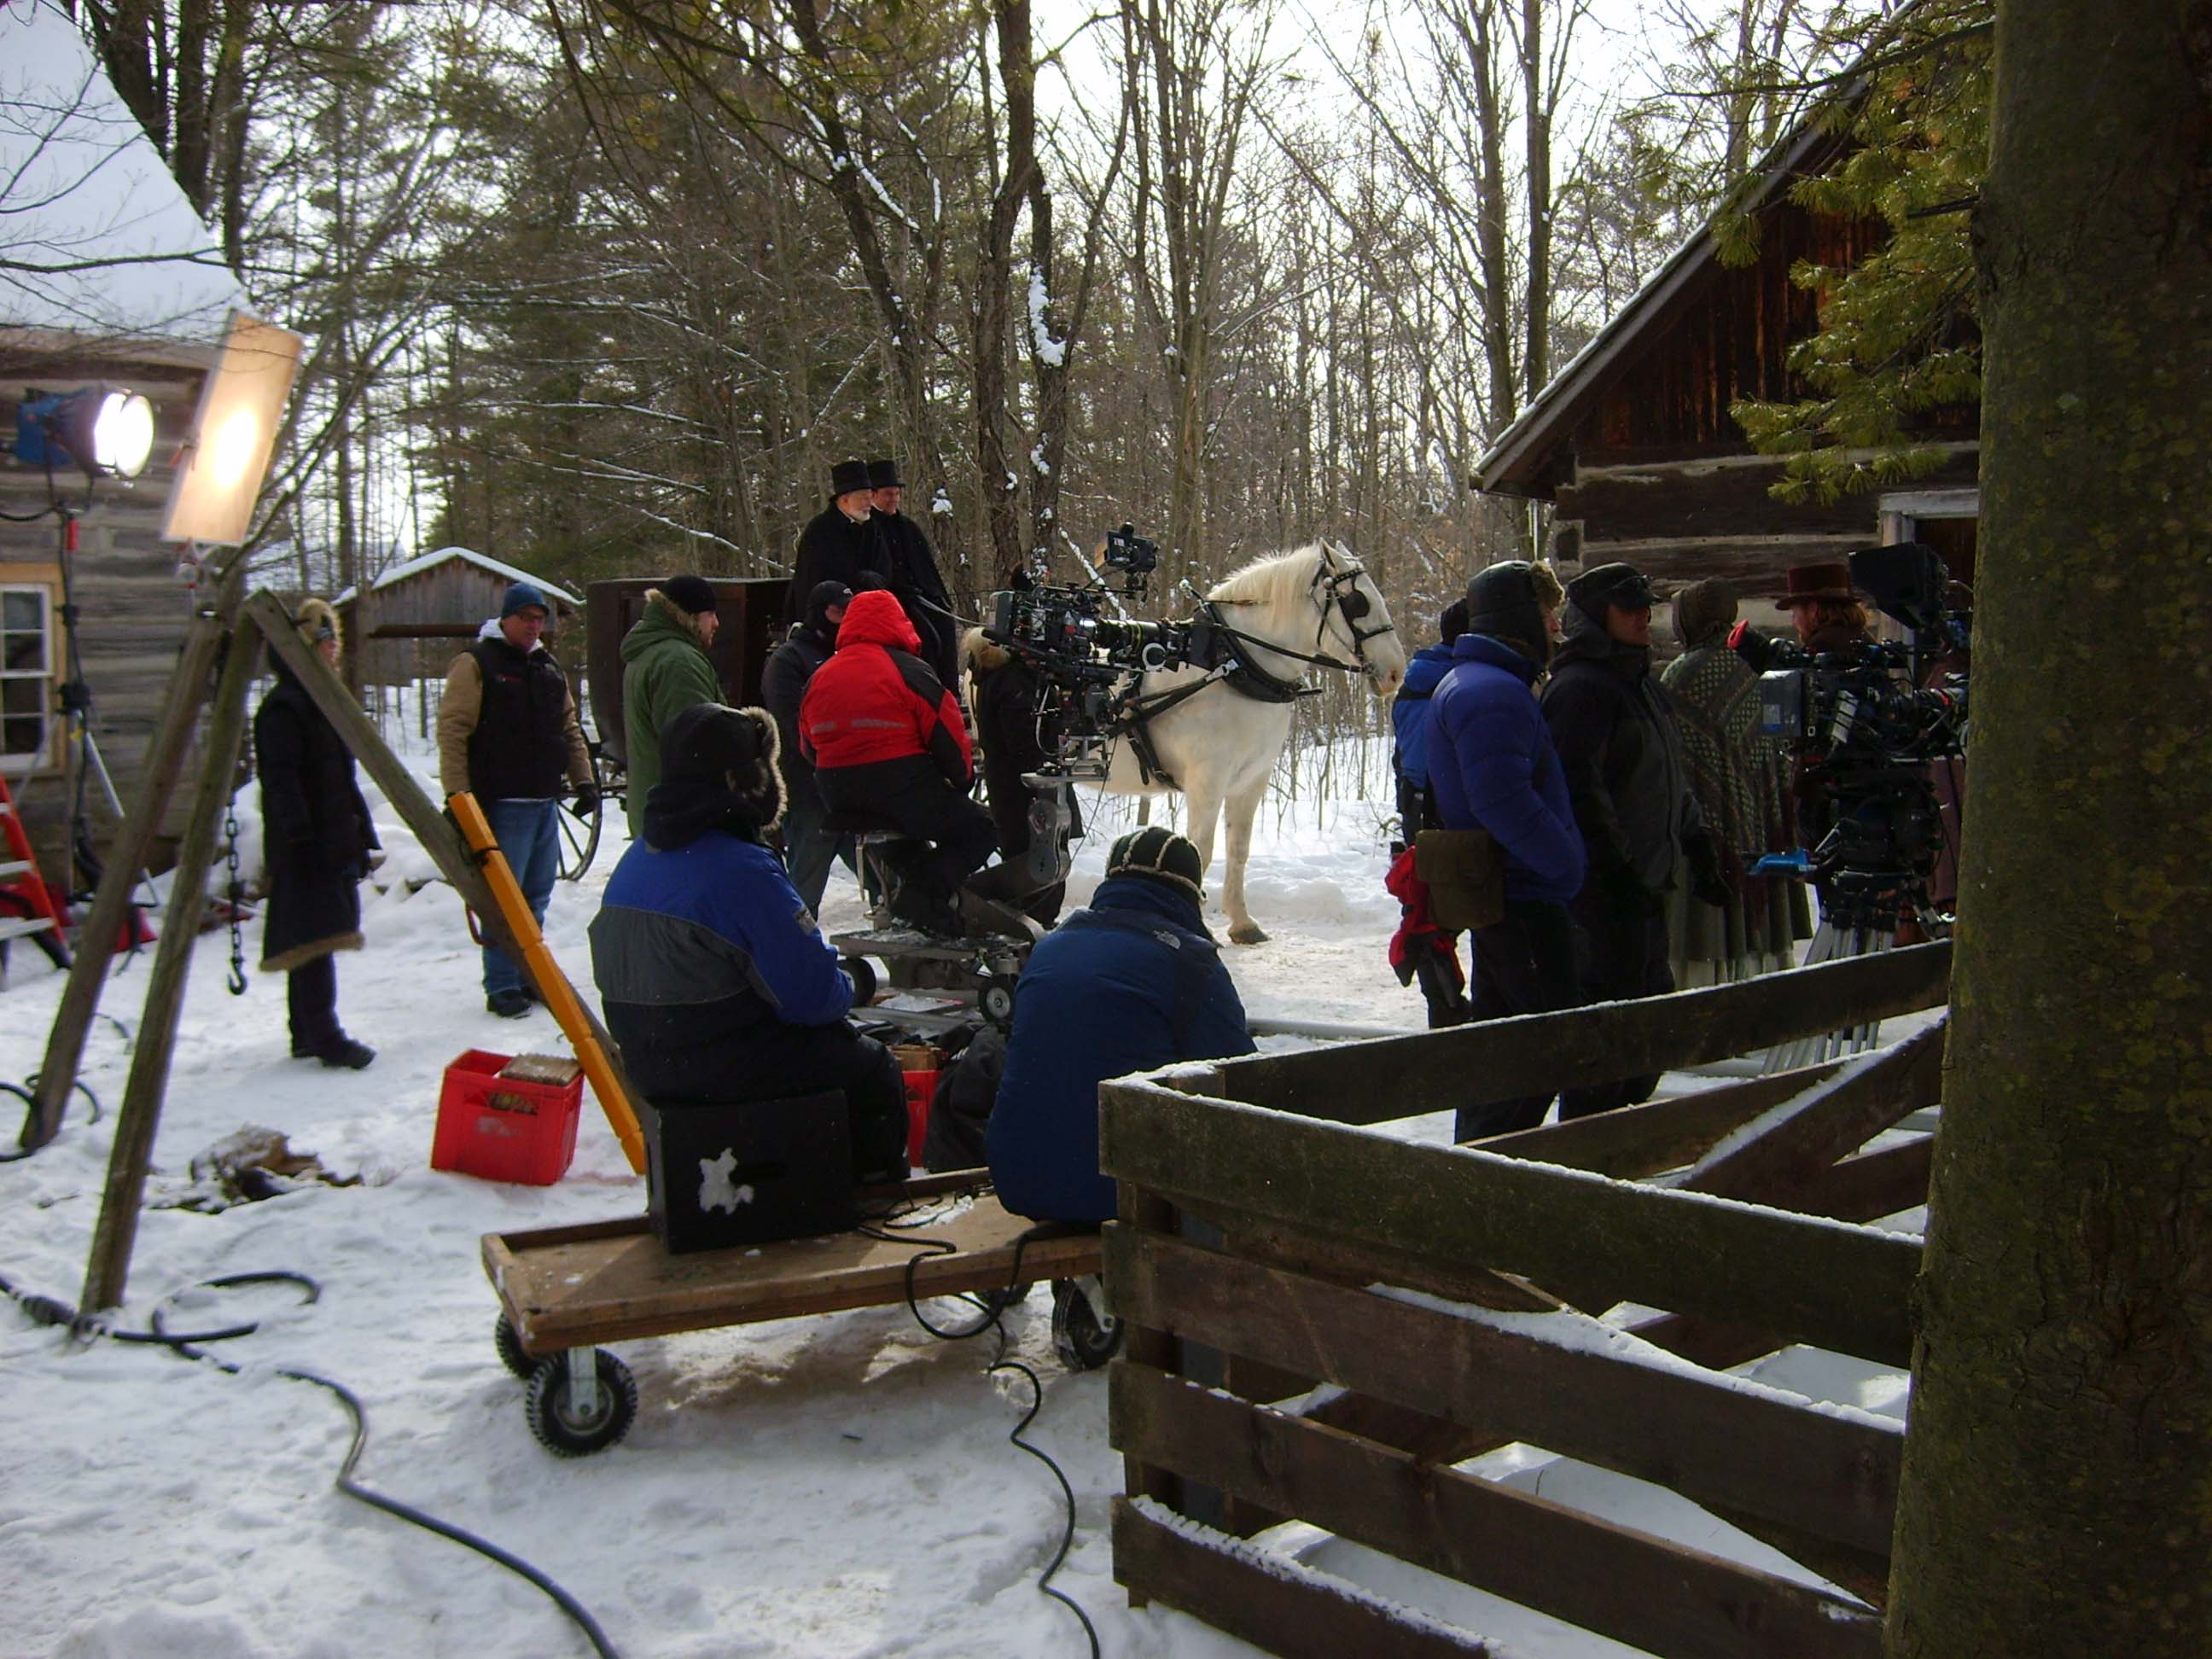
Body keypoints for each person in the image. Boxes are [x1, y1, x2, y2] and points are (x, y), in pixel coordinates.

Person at [587, 703, 907, 1184]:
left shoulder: (639, 856)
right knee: (872, 1068)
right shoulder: (740, 868)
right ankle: (864, 1211)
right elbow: (812, 999)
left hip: (648, 1058)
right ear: (749, 781)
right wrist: (852, 984)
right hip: (713, 1059)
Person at [987, 828, 1254, 1225]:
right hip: (1125, 1193)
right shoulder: (1191, 963)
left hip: (1018, 1178)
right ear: (1186, 895)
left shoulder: (1048, 948)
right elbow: (1243, 1081)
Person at [1542, 562, 1728, 1120]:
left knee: (1650, 1038)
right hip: (1602, 904)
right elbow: (1579, 796)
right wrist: (1615, 877)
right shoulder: (1580, 691)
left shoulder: (1639, 683)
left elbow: (1669, 776)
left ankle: (1611, 1154)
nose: (1645, 616)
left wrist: (1697, 844)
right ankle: (1585, 1169)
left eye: (1648, 606)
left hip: (1645, 891)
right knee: (1604, 1054)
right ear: (1597, 617)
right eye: (1631, 608)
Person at [1427, 561, 1587, 1138]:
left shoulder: (1483, 683)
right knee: (1539, 1055)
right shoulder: (1491, 693)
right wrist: (1567, 865)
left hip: (1508, 895)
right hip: (1522, 898)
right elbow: (1501, 802)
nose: (1556, 628)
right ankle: (1483, 1182)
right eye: (1549, 614)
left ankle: (1478, 1172)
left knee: (1504, 1055)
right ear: (1523, 617)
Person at [437, 579, 597, 1018]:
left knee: (537, 896)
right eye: (526, 618)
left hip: (544, 800)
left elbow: (568, 727)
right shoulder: (477, 664)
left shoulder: (547, 668)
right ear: (505, 619)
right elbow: (454, 731)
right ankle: (503, 983)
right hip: (501, 802)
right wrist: (457, 797)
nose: (533, 626)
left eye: (539, 619)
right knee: (504, 899)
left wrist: (584, 781)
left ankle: (530, 974)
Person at [799, 587, 997, 936]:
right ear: (899, 623)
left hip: (837, 792)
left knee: (897, 840)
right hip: (898, 785)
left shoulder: (820, 675)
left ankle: (919, 900)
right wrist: (962, 780)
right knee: (980, 830)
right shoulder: (909, 670)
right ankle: (921, 898)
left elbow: (807, 746)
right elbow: (948, 736)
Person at [254, 597, 377, 1069]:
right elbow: (282, 782)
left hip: (330, 837)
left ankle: (306, 1031)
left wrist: (362, 832)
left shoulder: (321, 701)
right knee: (315, 939)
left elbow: (341, 780)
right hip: (307, 843)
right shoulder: (285, 708)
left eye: (333, 643)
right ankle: (323, 1034)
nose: (333, 652)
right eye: (324, 643)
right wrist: (300, 840)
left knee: (316, 937)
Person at [1661, 578, 1797, 985]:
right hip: (1757, 816)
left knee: (1707, 915)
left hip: (1704, 821)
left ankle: (1710, 984)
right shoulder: (1755, 667)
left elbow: (1678, 758)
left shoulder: (1682, 674)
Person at [1386, 595, 1473, 1027]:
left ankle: (1447, 1009)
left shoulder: (1420, 680)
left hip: (1418, 811)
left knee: (1427, 918)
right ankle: (1449, 1014)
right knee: (1431, 922)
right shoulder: (1454, 684)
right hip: (1440, 817)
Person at [964, 626, 1077, 924]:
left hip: (1009, 789)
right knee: (1039, 859)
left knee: (1024, 854)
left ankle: (1033, 918)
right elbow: (1026, 743)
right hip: (1027, 793)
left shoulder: (992, 680)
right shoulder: (1012, 682)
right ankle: (1036, 921)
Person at [762, 578, 856, 914]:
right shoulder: (789, 660)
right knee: (804, 885)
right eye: (837, 611)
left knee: (883, 877)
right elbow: (794, 723)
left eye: (850, 611)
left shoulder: (849, 653)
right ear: (820, 613)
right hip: (808, 784)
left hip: (851, 786)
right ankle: (789, 952)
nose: (844, 619)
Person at [617, 574, 723, 842]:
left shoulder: (652, 652)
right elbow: (696, 748)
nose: (716, 623)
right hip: (680, 819)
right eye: (710, 614)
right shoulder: (678, 662)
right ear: (689, 616)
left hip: (657, 809)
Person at [867, 457, 958, 690]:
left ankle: (948, 690)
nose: (894, 499)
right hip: (894, 600)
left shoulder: (908, 527)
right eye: (889, 494)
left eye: (897, 494)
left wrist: (937, 596)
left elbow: (926, 568)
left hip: (921, 596)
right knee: (921, 634)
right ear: (874, 495)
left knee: (944, 624)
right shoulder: (870, 529)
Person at [786, 459, 887, 629]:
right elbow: (815, 578)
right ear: (845, 499)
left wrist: (873, 580)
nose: (870, 504)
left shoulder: (872, 528)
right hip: (830, 615)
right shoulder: (820, 530)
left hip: (870, 610)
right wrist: (855, 579)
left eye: (870, 498)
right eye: (864, 498)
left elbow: (884, 565)